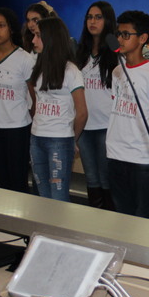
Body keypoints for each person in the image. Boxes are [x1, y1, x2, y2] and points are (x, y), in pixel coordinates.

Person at [106, 10, 149, 219]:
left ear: (142, 38)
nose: (120, 39)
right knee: (121, 214)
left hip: (142, 157)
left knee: (142, 216)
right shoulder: (117, 71)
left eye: (126, 34)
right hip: (115, 153)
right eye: (118, 34)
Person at [28, 17, 88, 202]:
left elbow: (82, 112)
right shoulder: (38, 67)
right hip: (36, 138)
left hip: (60, 140)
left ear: (51, 38)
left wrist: (71, 139)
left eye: (38, 36)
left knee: (58, 198)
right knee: (43, 195)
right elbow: (35, 102)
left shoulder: (71, 71)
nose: (33, 40)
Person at [0, 7, 35, 193]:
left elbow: (34, 96)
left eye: (1, 25)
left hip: (16, 129)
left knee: (17, 184)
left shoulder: (24, 59)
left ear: (11, 28)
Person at [75, 0, 118, 210]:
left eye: (98, 17)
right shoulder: (80, 53)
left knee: (107, 180)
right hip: (84, 127)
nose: (93, 21)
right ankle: (95, 221)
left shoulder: (116, 52)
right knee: (92, 179)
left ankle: (110, 222)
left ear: (107, 20)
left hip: (106, 126)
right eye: (90, 17)